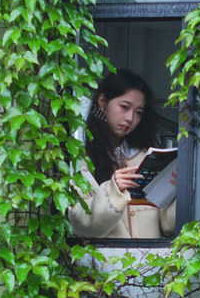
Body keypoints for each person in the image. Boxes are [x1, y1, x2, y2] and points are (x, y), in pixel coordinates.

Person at [69, 68, 176, 239]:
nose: (130, 118)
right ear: (103, 102)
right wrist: (113, 191)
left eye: (138, 113)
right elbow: (78, 223)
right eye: (124, 107)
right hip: (104, 263)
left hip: (151, 263)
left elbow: (167, 227)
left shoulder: (147, 158)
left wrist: (173, 191)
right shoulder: (81, 162)